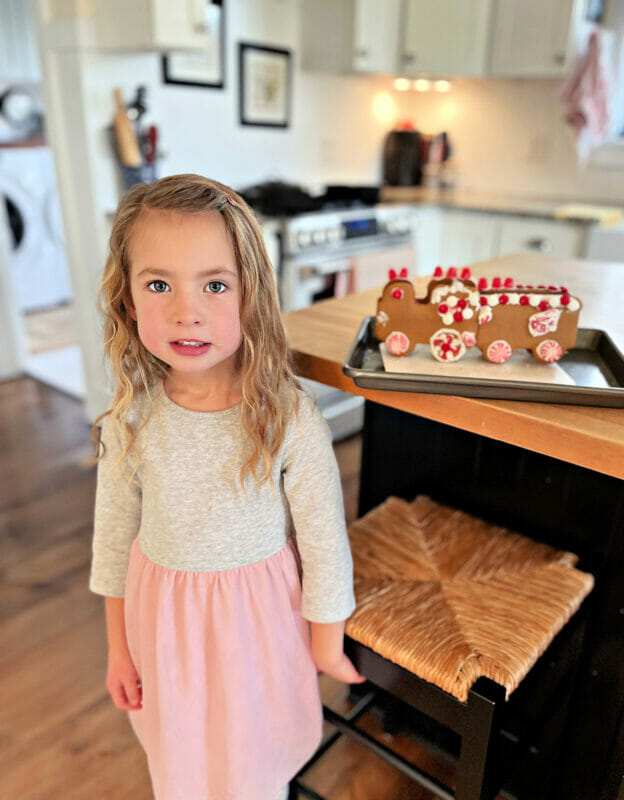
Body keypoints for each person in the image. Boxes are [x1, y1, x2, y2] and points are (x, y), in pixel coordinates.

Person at [89, 174, 364, 800]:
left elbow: (324, 538)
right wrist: (118, 649)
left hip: (256, 626)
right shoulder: (130, 418)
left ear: (249, 296)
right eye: (159, 285)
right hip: (163, 627)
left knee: (254, 756)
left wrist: (326, 641)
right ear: (129, 301)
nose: (187, 311)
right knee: (183, 759)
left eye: (215, 285)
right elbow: (113, 540)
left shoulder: (287, 416)